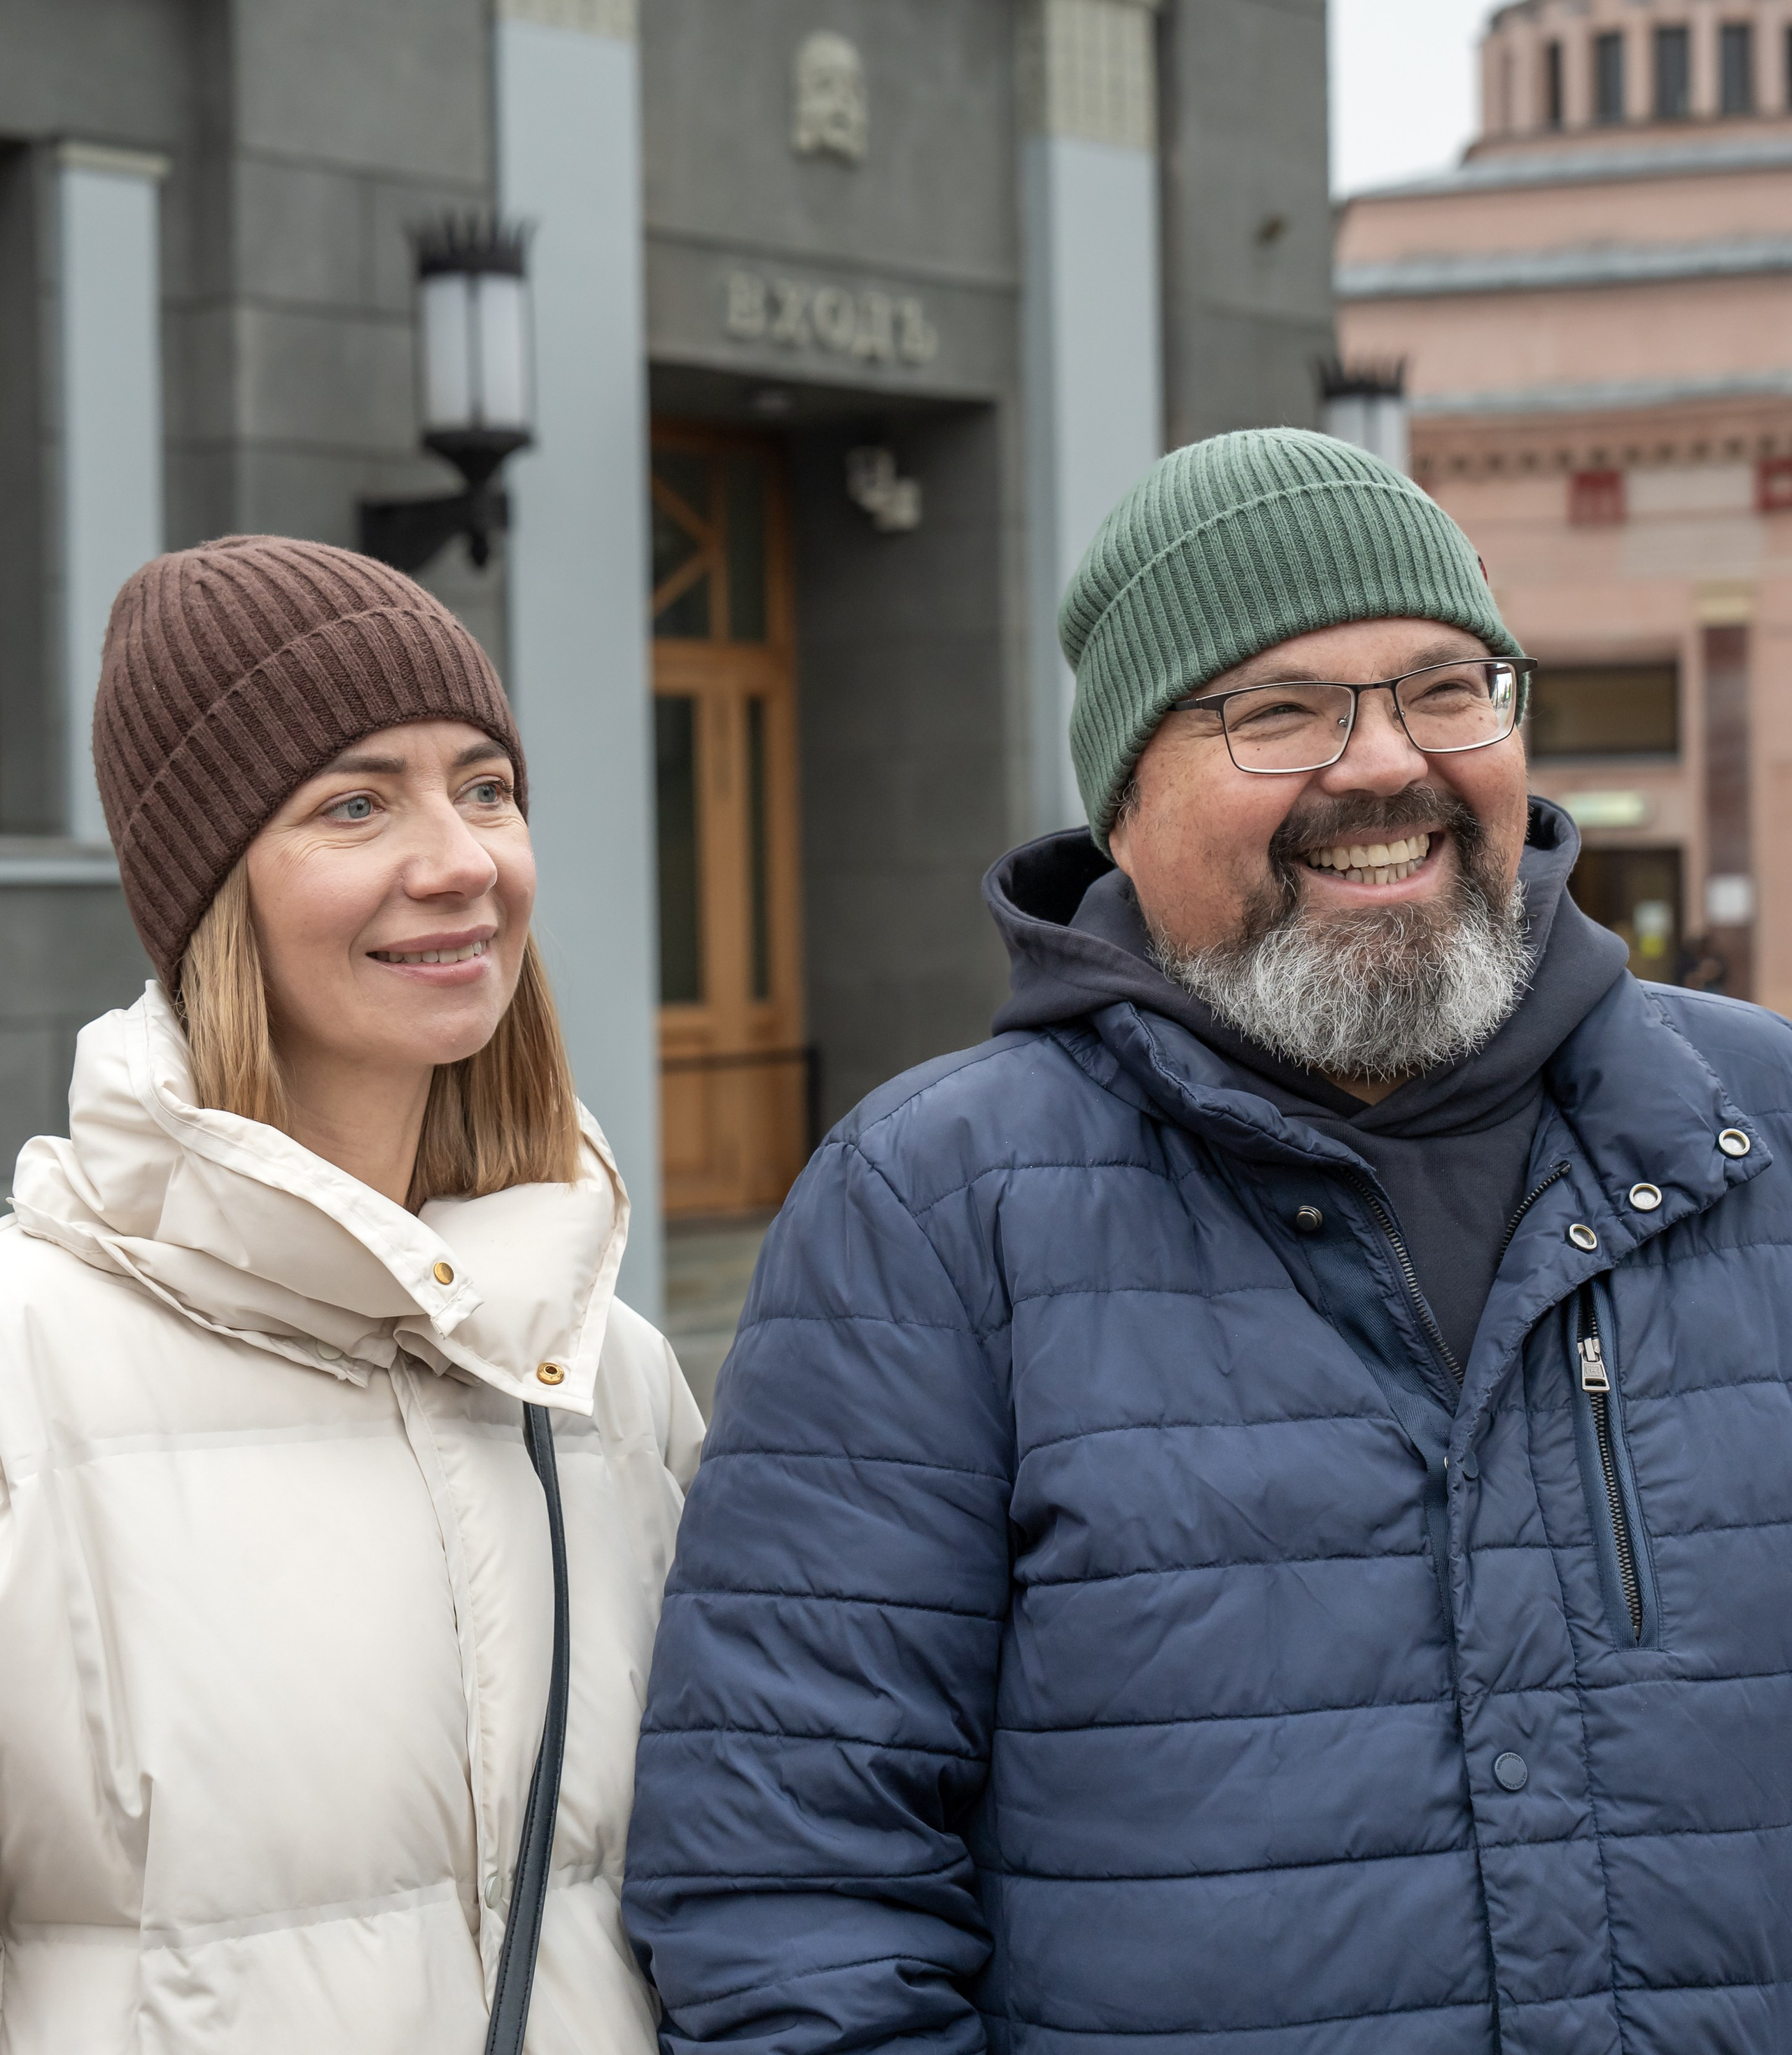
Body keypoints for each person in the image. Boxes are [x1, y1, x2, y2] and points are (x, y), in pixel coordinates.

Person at [626, 429, 1792, 2052]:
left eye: (1443, 687)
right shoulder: (935, 1207)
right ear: (1122, 803)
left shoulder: (1757, 1126)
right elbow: (792, 1885)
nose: (1382, 762)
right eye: (1278, 711)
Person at [0, 536, 701, 2054]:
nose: (460, 858)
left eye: (486, 786)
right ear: (210, 889)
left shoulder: (609, 1374)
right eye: (356, 801)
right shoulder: (27, 1374)